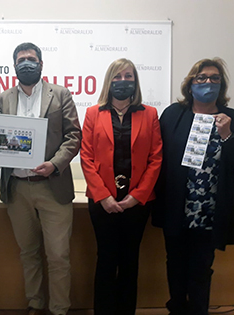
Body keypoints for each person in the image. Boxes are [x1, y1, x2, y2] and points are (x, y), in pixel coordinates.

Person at [0, 42, 81, 315]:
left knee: (59, 256)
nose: (27, 63)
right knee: (28, 253)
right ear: (14, 66)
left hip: (53, 185)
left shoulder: (60, 94)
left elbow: (73, 137)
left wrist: (54, 164)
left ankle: (59, 309)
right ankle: (35, 304)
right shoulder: (4, 98)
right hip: (18, 189)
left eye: (31, 59)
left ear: (41, 64)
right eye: (21, 59)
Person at [153, 58, 234, 315]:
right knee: (175, 265)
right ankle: (177, 308)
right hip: (176, 206)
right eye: (201, 78)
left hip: (209, 211)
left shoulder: (232, 118)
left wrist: (227, 135)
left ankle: (199, 310)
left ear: (221, 85)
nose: (208, 82)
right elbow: (157, 155)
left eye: (215, 78)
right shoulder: (174, 114)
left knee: (202, 268)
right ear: (191, 84)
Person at [80, 58, 162, 315]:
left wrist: (137, 197)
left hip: (137, 204)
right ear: (109, 81)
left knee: (130, 261)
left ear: (135, 81)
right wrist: (103, 197)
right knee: (106, 259)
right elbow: (86, 157)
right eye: (117, 76)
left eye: (128, 76)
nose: (123, 81)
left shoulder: (149, 114)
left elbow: (156, 158)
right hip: (102, 202)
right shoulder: (94, 113)